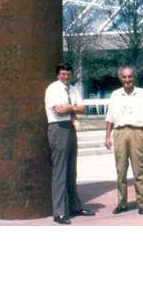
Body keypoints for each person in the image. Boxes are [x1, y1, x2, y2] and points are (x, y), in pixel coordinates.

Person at [45, 63, 95, 224]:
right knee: (60, 171)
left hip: (71, 128)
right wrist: (74, 108)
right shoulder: (53, 89)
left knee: (72, 170)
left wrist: (69, 107)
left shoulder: (73, 89)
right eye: (63, 74)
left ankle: (75, 206)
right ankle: (59, 212)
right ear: (58, 75)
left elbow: (84, 109)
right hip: (58, 128)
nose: (66, 77)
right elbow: (58, 110)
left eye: (68, 74)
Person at [105, 66, 143, 215]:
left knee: (138, 171)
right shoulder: (115, 95)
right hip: (119, 133)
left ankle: (142, 203)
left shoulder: (142, 94)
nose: (127, 80)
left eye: (130, 77)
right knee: (121, 171)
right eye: (124, 77)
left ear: (134, 77)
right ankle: (122, 203)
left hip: (137, 133)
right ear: (121, 78)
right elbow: (110, 118)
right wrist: (107, 136)